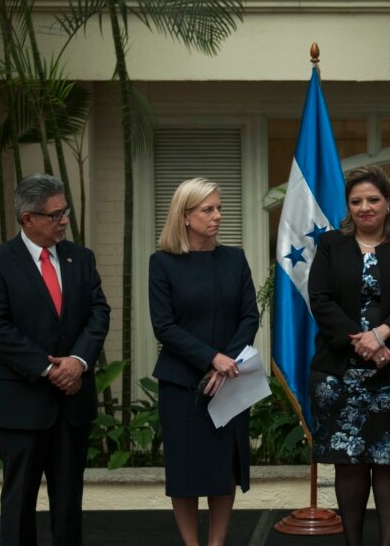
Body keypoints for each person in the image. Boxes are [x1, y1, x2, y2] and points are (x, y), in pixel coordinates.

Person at [0, 173, 110, 546]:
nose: (64, 220)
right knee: (19, 503)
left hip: (72, 403)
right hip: (21, 403)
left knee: (68, 504)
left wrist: (78, 361)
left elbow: (99, 313)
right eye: (55, 214)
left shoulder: (80, 258)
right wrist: (50, 368)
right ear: (27, 219)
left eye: (65, 211)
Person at [307, 166, 390, 546]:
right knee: (349, 462)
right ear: (348, 206)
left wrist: (380, 335)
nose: (365, 207)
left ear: (388, 203)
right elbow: (320, 300)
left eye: (373, 199)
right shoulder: (332, 244)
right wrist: (361, 343)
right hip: (340, 371)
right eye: (356, 201)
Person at [149, 178, 259, 546]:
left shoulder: (234, 258)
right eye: (207, 210)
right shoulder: (162, 263)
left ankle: (217, 543)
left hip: (231, 381)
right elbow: (163, 326)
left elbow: (250, 317)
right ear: (185, 216)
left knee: (222, 467)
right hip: (182, 384)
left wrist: (226, 363)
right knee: (185, 472)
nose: (217, 216)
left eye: (218, 208)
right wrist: (212, 359)